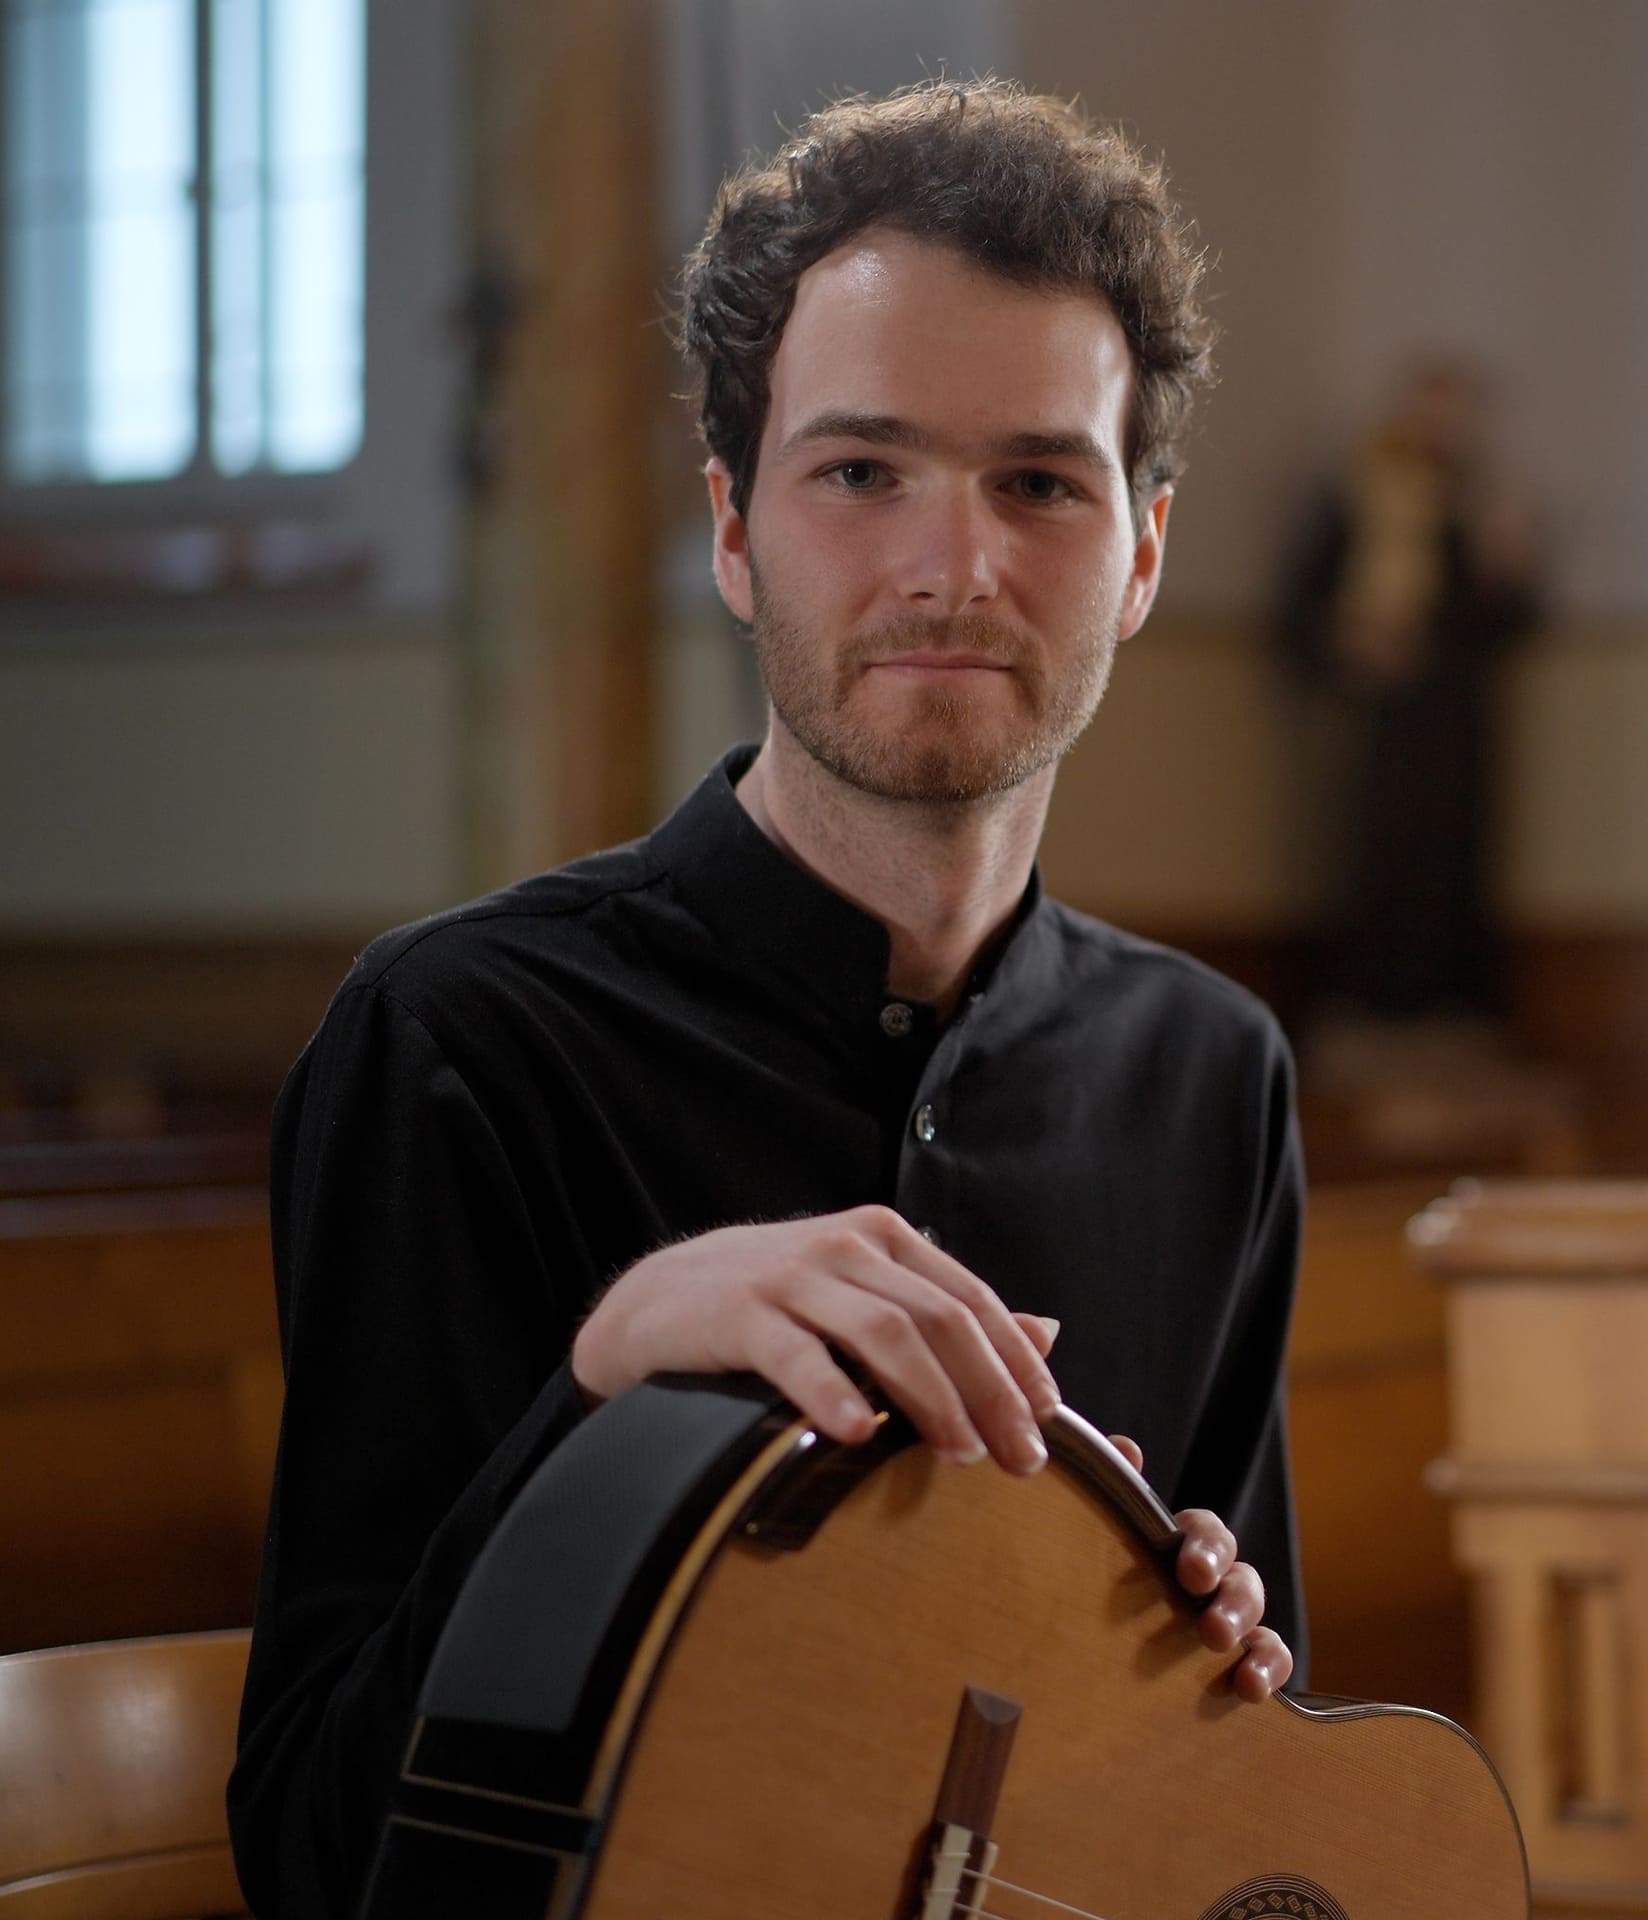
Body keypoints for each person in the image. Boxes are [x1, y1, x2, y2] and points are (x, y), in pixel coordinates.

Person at [229, 80, 1305, 1919]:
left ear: (1137, 556)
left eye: (1039, 481)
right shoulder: (458, 1042)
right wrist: (611, 1373)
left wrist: (1190, 1668)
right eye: (858, 471)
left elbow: (1243, 1822)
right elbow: (324, 1850)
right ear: (734, 527)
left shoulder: (1209, 1072)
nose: (951, 565)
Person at [1276, 359, 1540, 1026]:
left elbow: (1514, 621)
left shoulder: (1483, 507)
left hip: (1457, 722)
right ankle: (1368, 1004)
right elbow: (1299, 616)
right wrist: (1349, 643)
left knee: (1454, 862)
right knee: (1374, 861)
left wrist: (1503, 567)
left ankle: (1452, 1011)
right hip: (1376, 722)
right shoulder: (1356, 500)